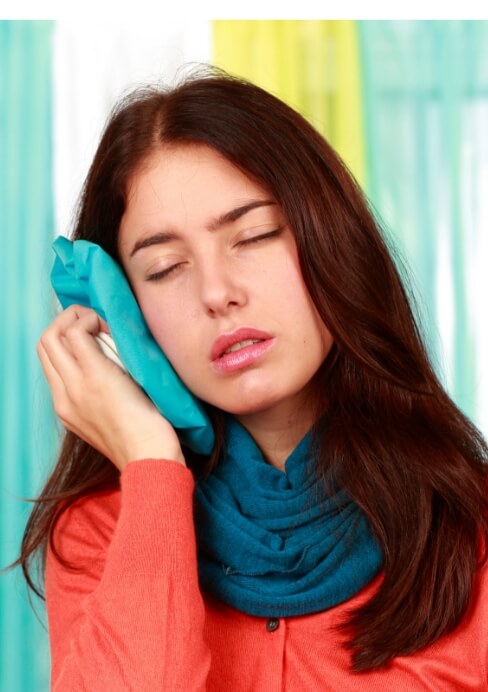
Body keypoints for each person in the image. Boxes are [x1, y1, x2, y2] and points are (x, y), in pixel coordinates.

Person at [13, 64, 488, 690]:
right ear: (122, 315)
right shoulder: (102, 533)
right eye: (164, 269)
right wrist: (153, 467)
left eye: (255, 235)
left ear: (332, 241)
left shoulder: (468, 531)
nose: (217, 293)